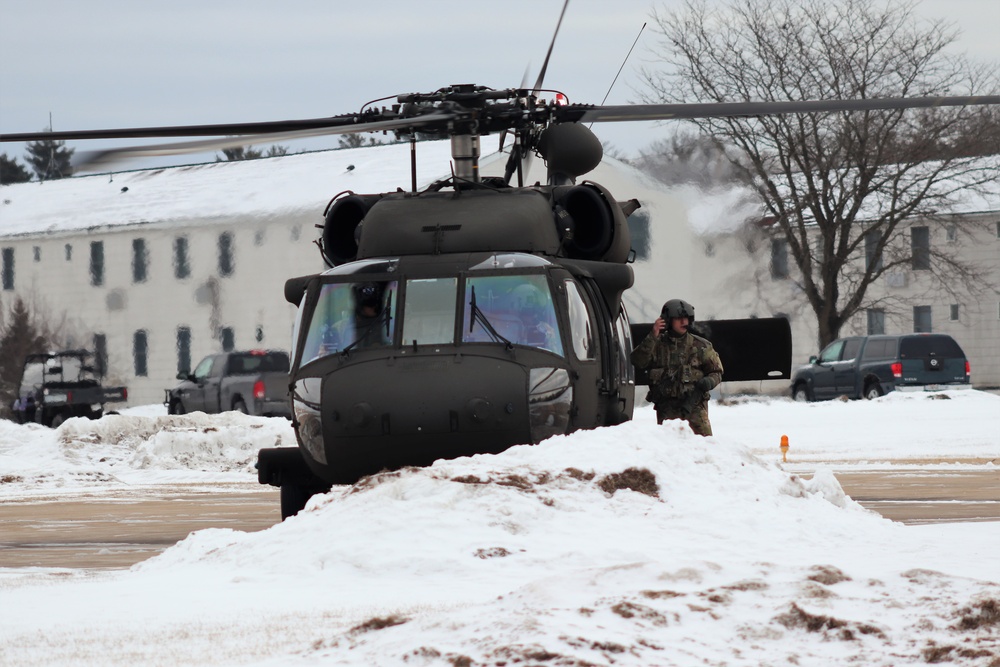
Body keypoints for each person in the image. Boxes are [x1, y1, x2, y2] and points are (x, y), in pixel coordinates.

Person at [630, 298, 724, 436]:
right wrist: (653, 335)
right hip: (666, 408)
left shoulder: (701, 346)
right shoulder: (656, 345)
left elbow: (716, 372)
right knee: (670, 448)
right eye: (679, 318)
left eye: (686, 318)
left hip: (694, 407)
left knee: (704, 446)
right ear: (668, 321)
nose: (684, 322)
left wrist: (709, 382)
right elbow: (638, 361)